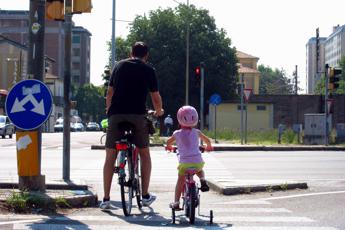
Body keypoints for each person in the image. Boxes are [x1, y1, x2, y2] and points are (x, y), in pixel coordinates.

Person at [100, 41, 164, 210]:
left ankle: (106, 199)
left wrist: (109, 110)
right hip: (138, 115)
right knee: (144, 154)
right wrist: (159, 111)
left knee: (110, 156)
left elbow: (110, 92)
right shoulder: (149, 69)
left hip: (116, 114)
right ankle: (144, 196)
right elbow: (155, 97)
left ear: (131, 53)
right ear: (146, 55)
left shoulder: (119, 66)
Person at [166, 105, 213, 209]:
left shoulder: (177, 133)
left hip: (184, 164)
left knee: (180, 181)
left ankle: (176, 203)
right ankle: (202, 180)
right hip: (197, 162)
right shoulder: (197, 132)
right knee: (200, 171)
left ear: (179, 118)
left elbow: (168, 142)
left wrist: (169, 147)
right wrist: (208, 147)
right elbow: (208, 141)